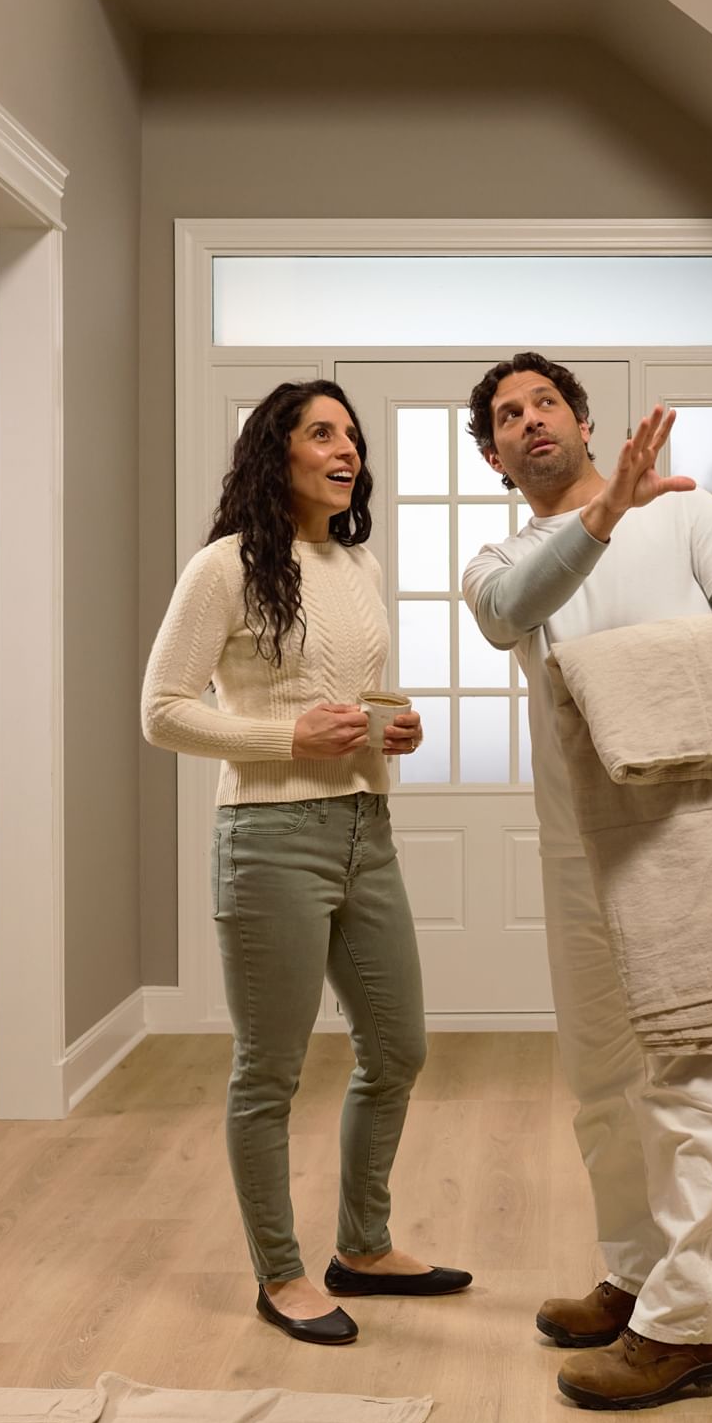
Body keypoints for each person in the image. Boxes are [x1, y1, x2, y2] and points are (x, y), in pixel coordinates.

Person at [459, 353, 712, 1410]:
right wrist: (604, 513)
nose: (528, 421)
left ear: (583, 418)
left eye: (544, 402)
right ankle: (641, 1272)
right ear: (491, 453)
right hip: (577, 841)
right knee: (602, 1076)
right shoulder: (500, 555)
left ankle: (694, 1324)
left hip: (684, 827)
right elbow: (510, 610)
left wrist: (632, 665)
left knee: (694, 1074)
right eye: (507, 416)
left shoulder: (691, 516)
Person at [140, 379, 472, 1346]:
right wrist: (290, 736)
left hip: (368, 830)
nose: (346, 448)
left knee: (399, 1045)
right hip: (271, 841)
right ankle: (280, 1275)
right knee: (269, 1072)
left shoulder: (354, 561)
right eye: (322, 432)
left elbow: (344, 699)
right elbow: (162, 709)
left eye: (353, 436)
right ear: (273, 451)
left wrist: (388, 729)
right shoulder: (223, 568)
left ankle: (361, 1247)